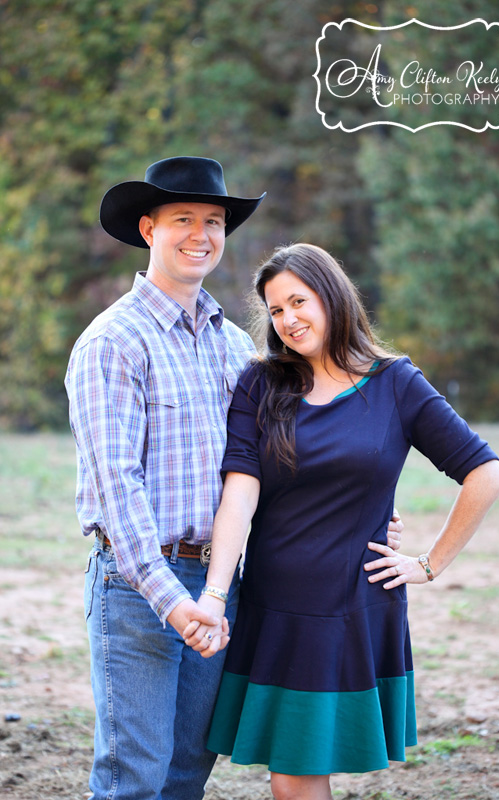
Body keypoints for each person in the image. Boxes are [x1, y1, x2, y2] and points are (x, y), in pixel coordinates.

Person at [65, 162, 403, 800]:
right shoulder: (112, 343)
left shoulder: (230, 348)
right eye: (183, 220)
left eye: (214, 222)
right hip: (138, 587)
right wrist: (173, 601)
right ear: (148, 229)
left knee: (188, 771)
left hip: (220, 585)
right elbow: (117, 483)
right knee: (133, 777)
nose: (201, 235)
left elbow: (274, 462)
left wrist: (356, 512)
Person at [184, 243, 499, 800]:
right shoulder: (261, 384)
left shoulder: (396, 383)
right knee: (293, 777)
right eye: (275, 311)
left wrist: (428, 564)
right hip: (273, 606)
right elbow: (239, 493)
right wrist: (215, 593)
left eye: (298, 302)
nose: (288, 320)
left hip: (347, 609)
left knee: (295, 777)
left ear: (332, 297)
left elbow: (486, 473)